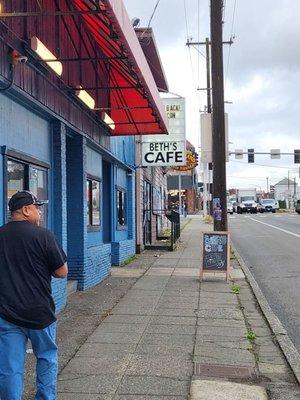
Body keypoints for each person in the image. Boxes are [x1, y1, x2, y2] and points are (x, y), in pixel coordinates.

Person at [0, 191, 68, 400]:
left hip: (7, 313)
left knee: (9, 365)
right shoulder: (43, 235)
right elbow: (61, 271)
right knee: (46, 357)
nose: (39, 211)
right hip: (40, 313)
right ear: (26, 210)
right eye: (37, 207)